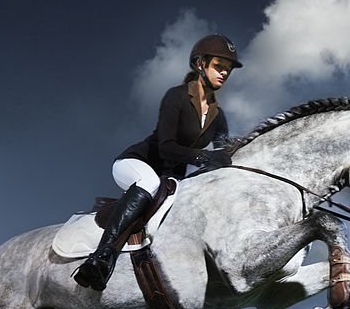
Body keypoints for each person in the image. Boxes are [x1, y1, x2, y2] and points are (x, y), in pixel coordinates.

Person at [73, 34, 242, 291]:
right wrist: (204, 157)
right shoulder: (176, 98)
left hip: (172, 178)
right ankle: (101, 257)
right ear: (200, 64)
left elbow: (223, 155)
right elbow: (167, 147)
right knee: (148, 182)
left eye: (228, 70)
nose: (224, 73)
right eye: (219, 66)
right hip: (137, 163)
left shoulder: (219, 117)